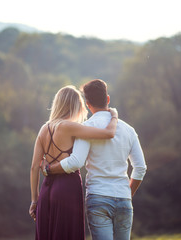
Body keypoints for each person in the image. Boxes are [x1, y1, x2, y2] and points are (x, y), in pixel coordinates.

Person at [42, 79, 147, 240]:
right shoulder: (129, 130)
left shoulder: (86, 128)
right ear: (108, 99)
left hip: (98, 197)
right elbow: (140, 168)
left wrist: (49, 169)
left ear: (87, 103)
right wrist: (127, 193)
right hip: (124, 199)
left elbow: (76, 162)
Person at [29, 85, 119, 240]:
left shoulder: (44, 129)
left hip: (45, 191)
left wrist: (34, 200)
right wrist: (114, 116)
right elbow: (109, 133)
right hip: (66, 189)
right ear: (75, 106)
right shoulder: (70, 127)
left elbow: (33, 168)